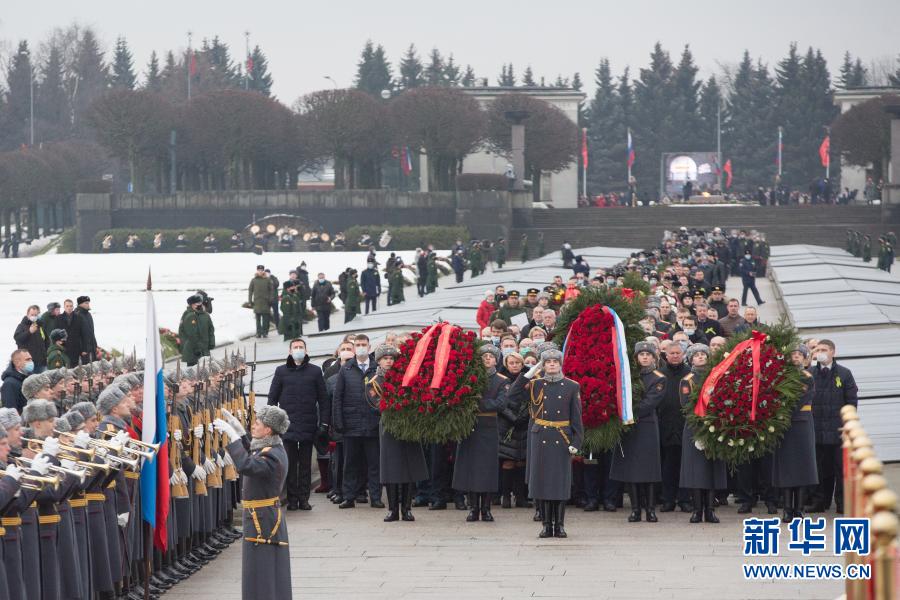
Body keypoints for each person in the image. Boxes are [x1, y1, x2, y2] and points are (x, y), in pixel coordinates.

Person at [214, 405, 292, 600]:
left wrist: (232, 438)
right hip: (261, 517)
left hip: (262, 520)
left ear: (268, 430)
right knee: (259, 571)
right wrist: (241, 434)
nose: (253, 426)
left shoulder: (273, 455)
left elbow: (247, 464)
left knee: (261, 571)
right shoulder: (272, 448)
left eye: (257, 423)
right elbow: (255, 452)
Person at [509, 348, 583, 538]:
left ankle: (559, 525)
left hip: (561, 437)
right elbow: (513, 394)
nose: (551, 365)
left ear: (560, 364)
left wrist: (577, 441)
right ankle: (545, 524)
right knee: (541, 483)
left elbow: (577, 418)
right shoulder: (535, 384)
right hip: (540, 436)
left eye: (554, 362)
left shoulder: (571, 386)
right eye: (547, 362)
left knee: (559, 483)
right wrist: (532, 371)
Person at [266, 338, 328, 511]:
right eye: (295, 347)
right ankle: (292, 499)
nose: (298, 350)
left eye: (301, 347)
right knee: (290, 463)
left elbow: (323, 399)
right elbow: (272, 399)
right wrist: (272, 424)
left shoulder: (315, 372)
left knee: (306, 464)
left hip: (308, 425)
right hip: (288, 426)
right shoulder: (281, 371)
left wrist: (324, 422)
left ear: (306, 351)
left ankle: (304, 498)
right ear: (290, 351)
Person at [609, 342, 666, 523]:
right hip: (629, 428)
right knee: (631, 470)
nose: (644, 357)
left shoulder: (659, 378)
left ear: (654, 357)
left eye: (648, 354)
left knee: (648, 470)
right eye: (641, 354)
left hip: (646, 426)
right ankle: (635, 509)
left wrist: (628, 412)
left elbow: (650, 403)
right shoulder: (629, 377)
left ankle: (650, 509)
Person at [370, 344, 427, 522]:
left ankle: (407, 508)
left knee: (409, 469)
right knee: (392, 470)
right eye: (385, 358)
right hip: (389, 427)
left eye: (391, 358)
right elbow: (377, 404)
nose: (389, 361)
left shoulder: (406, 378)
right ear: (379, 361)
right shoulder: (374, 382)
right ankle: (393, 509)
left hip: (408, 426)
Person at [453, 345, 508, 523]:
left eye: (491, 356)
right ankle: (473, 508)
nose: (487, 359)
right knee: (470, 468)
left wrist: (477, 404)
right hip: (470, 426)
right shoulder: (470, 378)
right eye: (484, 356)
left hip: (488, 426)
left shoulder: (501, 380)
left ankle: (486, 508)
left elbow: (500, 404)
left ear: (496, 360)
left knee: (487, 470)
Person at [333, 335, 383, 509]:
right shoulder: (346, 369)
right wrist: (338, 422)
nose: (361, 347)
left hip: (373, 424)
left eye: (364, 345)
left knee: (374, 464)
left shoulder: (377, 369)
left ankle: (376, 497)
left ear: (369, 347)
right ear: (354, 348)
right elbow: (337, 398)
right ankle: (349, 496)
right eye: (358, 345)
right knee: (350, 464)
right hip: (351, 425)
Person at [679, 344, 726, 523]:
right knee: (696, 472)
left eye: (703, 354)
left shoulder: (716, 376)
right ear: (690, 359)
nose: (700, 357)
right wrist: (701, 425)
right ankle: (697, 510)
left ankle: (710, 510)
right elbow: (686, 405)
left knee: (711, 471)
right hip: (695, 428)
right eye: (696, 355)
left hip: (714, 428)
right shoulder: (688, 380)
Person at [809, 339, 857, 514]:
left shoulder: (844, 374)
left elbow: (851, 402)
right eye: (818, 349)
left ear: (833, 352)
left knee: (840, 469)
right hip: (816, 429)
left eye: (824, 349)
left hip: (838, 430)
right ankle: (820, 502)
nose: (820, 352)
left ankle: (842, 503)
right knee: (820, 469)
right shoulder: (810, 373)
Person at [772, 345, 818, 523]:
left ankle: (799, 508)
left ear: (805, 358)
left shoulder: (807, 377)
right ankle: (787, 509)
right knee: (786, 468)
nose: (796, 357)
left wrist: (785, 413)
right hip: (784, 425)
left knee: (802, 467)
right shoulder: (780, 377)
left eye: (800, 354)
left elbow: (802, 398)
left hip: (801, 424)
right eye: (793, 354)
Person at [657, 342, 691, 512]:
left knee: (685, 465)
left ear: (683, 354)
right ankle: (668, 499)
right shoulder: (660, 374)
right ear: (666, 355)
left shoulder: (690, 374)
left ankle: (685, 499)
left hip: (685, 425)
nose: (675, 356)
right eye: (672, 353)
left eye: (678, 353)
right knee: (668, 465)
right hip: (666, 425)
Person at [179, 294, 215, 367]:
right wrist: (196, 349)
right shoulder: (190, 316)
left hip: (204, 350)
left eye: (200, 303)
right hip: (193, 352)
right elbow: (191, 334)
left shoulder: (205, 315)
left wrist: (211, 342)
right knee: (194, 374)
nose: (199, 305)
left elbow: (211, 329)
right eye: (197, 303)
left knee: (205, 372)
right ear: (192, 305)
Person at [13, 305, 47, 372]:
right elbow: (17, 338)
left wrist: (46, 355)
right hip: (28, 364)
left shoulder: (40, 326)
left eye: (35, 315)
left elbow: (46, 341)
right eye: (32, 315)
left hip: (41, 363)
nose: (34, 317)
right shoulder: (22, 326)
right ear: (27, 315)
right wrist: (29, 332)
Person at [71, 296, 98, 363]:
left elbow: (91, 332)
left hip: (92, 348)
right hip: (83, 351)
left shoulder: (88, 314)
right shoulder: (76, 315)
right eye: (86, 303)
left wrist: (95, 345)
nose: (88, 304)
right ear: (80, 304)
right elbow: (75, 335)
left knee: (93, 368)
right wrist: (82, 350)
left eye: (88, 303)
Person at [248, 265, 273, 338]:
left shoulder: (267, 280)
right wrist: (250, 301)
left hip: (266, 302)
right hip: (257, 302)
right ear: (257, 271)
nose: (260, 271)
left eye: (261, 270)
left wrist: (271, 299)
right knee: (258, 319)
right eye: (259, 270)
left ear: (263, 271)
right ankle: (258, 333)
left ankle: (265, 332)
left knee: (265, 319)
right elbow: (250, 291)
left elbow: (271, 290)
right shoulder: (253, 280)